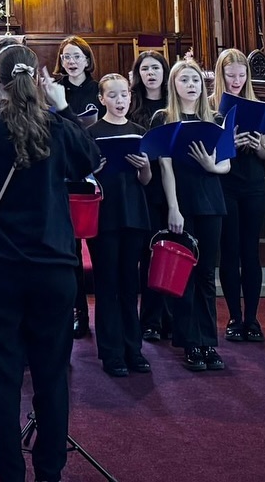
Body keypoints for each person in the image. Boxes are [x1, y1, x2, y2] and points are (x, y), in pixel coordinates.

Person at [0, 44, 100, 482]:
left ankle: (11, 473)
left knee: (3, 376)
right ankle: (49, 472)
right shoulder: (57, 127)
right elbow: (92, 160)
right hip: (54, 269)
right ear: (39, 80)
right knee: (51, 374)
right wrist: (63, 108)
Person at [155, 57, 231, 373]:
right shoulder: (164, 118)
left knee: (205, 276)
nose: (191, 85)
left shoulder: (215, 118)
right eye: (185, 80)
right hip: (181, 202)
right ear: (174, 85)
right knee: (183, 275)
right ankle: (189, 342)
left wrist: (211, 166)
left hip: (211, 201)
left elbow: (226, 163)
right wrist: (173, 207)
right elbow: (165, 165)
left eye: (196, 80)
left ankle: (207, 342)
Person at [88, 72, 153, 376]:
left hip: (134, 213)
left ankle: (133, 348)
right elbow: (82, 178)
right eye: (112, 95)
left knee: (130, 284)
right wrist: (93, 169)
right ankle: (111, 351)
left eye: (123, 94)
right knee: (107, 284)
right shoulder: (93, 132)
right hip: (104, 214)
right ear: (101, 99)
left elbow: (146, 180)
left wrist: (145, 168)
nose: (119, 101)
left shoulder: (139, 130)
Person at [212, 48, 265, 343]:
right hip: (225, 184)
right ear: (221, 75)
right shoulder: (211, 107)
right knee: (230, 251)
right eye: (230, 75)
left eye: (241, 74)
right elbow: (210, 153)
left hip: (253, 183)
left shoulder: (258, 105)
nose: (236, 80)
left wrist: (257, 143)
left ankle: (253, 318)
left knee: (251, 252)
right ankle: (234, 316)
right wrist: (229, 142)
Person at [55, 35, 100, 339]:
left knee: (97, 248)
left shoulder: (98, 90)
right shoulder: (55, 90)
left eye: (76, 56)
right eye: (66, 57)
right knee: (70, 252)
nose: (71, 62)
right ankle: (77, 314)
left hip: (94, 173)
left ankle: (104, 316)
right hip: (64, 174)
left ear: (87, 59)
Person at [129, 50, 172, 342]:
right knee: (147, 253)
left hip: (170, 183)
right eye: (145, 69)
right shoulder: (132, 106)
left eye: (156, 68)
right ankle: (150, 319)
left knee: (167, 253)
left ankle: (169, 316)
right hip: (141, 185)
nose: (151, 74)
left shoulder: (174, 103)